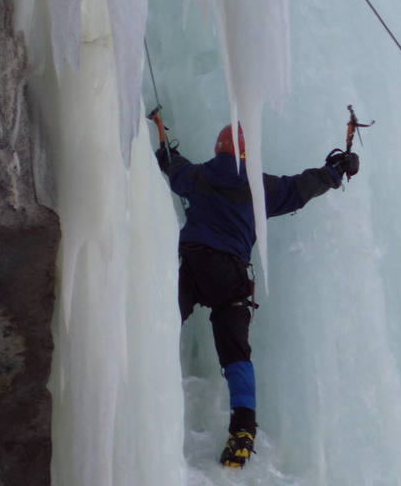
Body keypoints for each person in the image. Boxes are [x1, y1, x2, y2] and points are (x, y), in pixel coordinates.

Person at [153, 119, 359, 468]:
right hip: (230, 275)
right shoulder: (258, 187)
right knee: (235, 353)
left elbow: (175, 170)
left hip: (193, 265)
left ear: (218, 149)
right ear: (246, 154)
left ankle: (141, 381)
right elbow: (300, 189)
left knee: (162, 319)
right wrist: (335, 170)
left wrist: (165, 151)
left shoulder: (200, 176)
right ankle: (243, 429)